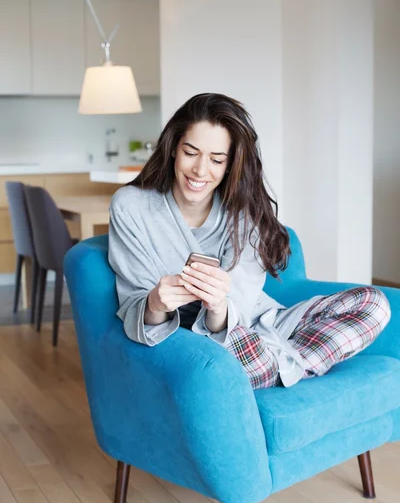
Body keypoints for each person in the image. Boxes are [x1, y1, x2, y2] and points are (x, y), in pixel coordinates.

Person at [108, 93, 390, 389]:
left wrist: (219, 307)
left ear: (231, 164)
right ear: (173, 150)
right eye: (191, 152)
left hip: (257, 324)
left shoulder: (247, 212)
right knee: (222, 359)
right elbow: (134, 304)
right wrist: (156, 302)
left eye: (217, 159)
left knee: (374, 304)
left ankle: (279, 368)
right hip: (204, 342)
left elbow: (242, 308)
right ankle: (283, 366)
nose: (200, 171)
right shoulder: (132, 206)